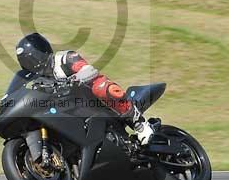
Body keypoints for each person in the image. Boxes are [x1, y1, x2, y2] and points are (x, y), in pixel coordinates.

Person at [15, 32, 158, 145]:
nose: (31, 64)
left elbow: (88, 70)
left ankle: (139, 124)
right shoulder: (39, 81)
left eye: (32, 58)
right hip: (71, 111)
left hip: (94, 102)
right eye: (27, 62)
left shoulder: (64, 58)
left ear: (42, 52)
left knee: (100, 86)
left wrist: (75, 78)